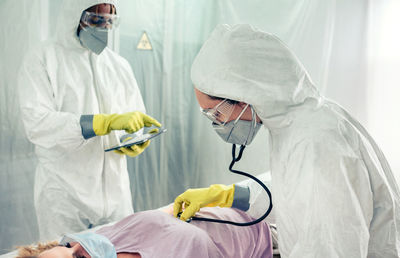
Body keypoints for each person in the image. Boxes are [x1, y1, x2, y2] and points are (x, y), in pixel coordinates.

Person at [173, 24, 400, 257]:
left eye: (216, 113)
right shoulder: (298, 125)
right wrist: (227, 195)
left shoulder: (317, 143)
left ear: (244, 96)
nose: (217, 123)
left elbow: (330, 248)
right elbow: (294, 192)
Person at [18, 0, 161, 241]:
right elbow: (37, 124)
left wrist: (134, 139)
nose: (103, 28)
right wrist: (98, 124)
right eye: (95, 20)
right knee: (63, 254)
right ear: (74, 15)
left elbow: (132, 117)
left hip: (116, 192)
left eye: (109, 21)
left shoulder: (119, 66)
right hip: (64, 194)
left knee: (121, 249)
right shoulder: (44, 58)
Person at [16, 206, 273, 258]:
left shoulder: (108, 238)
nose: (82, 249)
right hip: (262, 247)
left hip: (246, 218)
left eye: (71, 250)